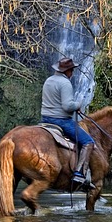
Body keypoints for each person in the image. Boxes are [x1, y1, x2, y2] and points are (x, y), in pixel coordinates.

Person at [41, 57, 95, 188]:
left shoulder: (49, 80)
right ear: (68, 71)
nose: (73, 73)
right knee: (88, 142)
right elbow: (67, 106)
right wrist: (77, 105)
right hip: (61, 121)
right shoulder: (65, 83)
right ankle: (79, 174)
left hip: (45, 119)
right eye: (72, 70)